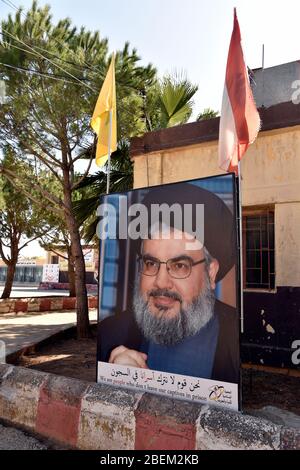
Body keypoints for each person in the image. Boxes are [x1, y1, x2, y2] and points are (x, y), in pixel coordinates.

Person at [98, 181, 239, 384]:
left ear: (210, 272)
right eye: (150, 263)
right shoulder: (110, 335)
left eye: (180, 266)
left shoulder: (237, 337)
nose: (161, 282)